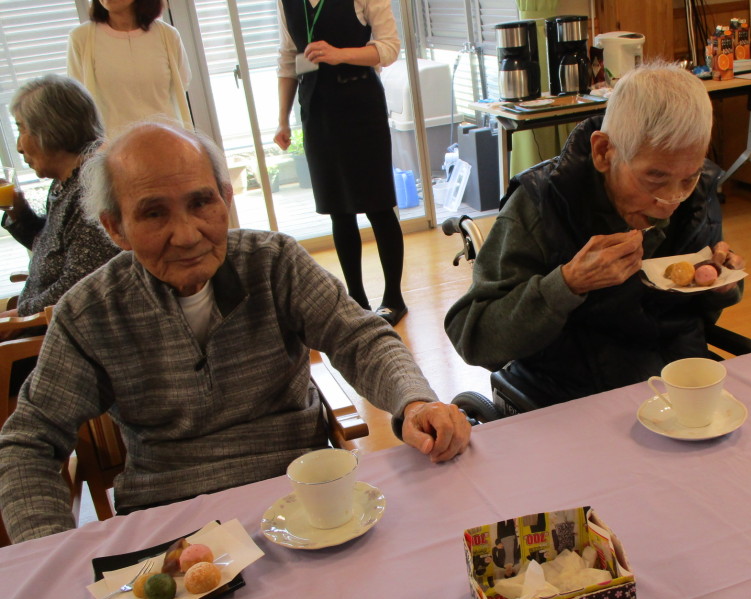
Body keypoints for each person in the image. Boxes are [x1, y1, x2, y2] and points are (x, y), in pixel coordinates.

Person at [0, 122, 470, 544]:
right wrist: (48, 552)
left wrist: (414, 402)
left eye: (201, 202)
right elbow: (28, 441)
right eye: (154, 213)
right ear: (115, 228)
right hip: (169, 519)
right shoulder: (89, 312)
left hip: (297, 500)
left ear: (225, 198)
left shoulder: (273, 263)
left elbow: (360, 339)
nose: (187, 234)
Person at [445, 62, 746, 408]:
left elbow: (696, 316)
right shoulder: (540, 205)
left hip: (678, 385)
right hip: (573, 396)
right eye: (655, 178)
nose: (670, 202)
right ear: (604, 152)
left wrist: (721, 284)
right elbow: (475, 340)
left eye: (688, 178)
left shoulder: (696, 196)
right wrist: (567, 284)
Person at [273, 0, 408, 326]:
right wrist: (282, 120)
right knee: (339, 209)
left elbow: (389, 48)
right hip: (317, 109)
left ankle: (394, 298)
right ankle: (356, 300)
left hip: (361, 105)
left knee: (378, 204)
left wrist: (340, 54)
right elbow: (288, 59)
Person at [0, 75, 119, 340]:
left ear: (50, 130)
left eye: (21, 129)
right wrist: (18, 211)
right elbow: (53, 250)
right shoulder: (65, 183)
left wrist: (16, 316)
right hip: (41, 326)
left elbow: (77, 289)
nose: (19, 147)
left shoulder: (91, 193)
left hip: (56, 342)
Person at [67, 0, 192, 139]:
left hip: (166, 140)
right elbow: (78, 99)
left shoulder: (168, 35)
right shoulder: (81, 38)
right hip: (113, 145)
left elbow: (182, 83)